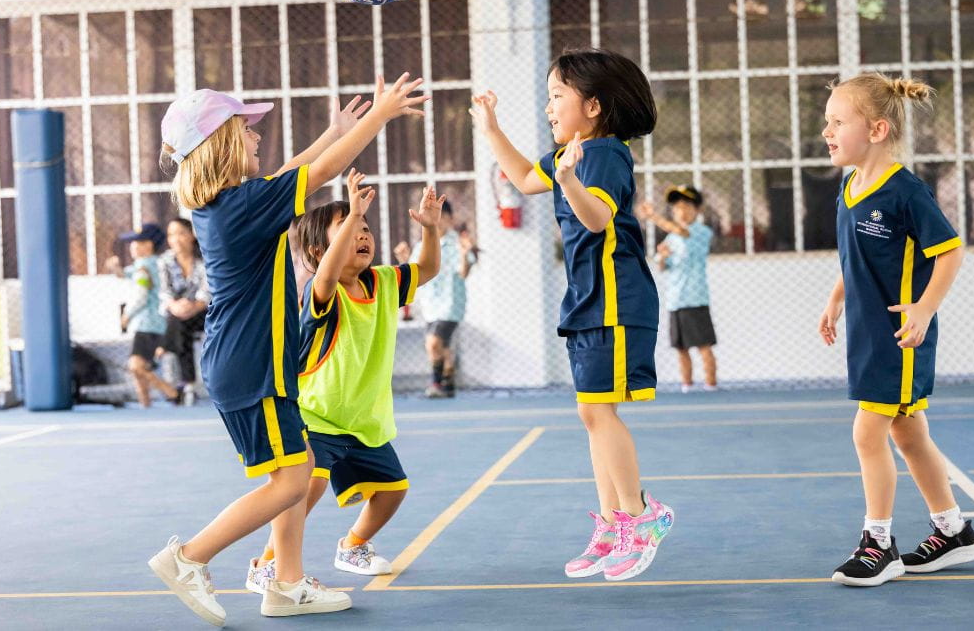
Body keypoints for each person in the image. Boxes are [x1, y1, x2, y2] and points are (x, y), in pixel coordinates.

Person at [146, 77, 426, 624]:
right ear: (221, 145)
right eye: (245, 130)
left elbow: (286, 176)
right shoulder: (242, 206)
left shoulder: (232, 203)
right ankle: (188, 559)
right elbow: (313, 175)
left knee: (294, 473)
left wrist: (332, 131)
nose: (255, 137)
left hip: (256, 364)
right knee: (292, 480)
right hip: (251, 366)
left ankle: (288, 583)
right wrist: (379, 117)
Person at [474, 48, 674, 581]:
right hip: (587, 300)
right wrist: (492, 129)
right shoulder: (574, 153)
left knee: (600, 412)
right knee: (592, 412)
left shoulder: (604, 154)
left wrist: (568, 180)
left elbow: (597, 220)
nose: (548, 107)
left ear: (593, 105)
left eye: (556, 96)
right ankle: (611, 523)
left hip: (616, 298)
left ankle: (640, 516)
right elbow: (520, 178)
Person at [817, 73, 974, 587]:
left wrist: (925, 308)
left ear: (876, 129)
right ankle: (953, 531)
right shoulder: (850, 187)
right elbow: (858, 259)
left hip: (900, 337)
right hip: (867, 334)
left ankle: (879, 543)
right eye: (826, 121)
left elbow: (950, 250)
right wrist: (836, 298)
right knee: (908, 434)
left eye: (837, 122)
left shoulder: (906, 191)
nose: (826, 131)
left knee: (868, 432)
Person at [246, 169, 442, 590]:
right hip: (316, 418)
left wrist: (430, 230)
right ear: (320, 251)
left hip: (365, 421)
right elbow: (328, 275)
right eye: (350, 229)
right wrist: (353, 212)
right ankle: (266, 563)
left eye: (366, 228)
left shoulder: (384, 281)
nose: (363, 235)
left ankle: (352, 545)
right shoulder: (323, 292)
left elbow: (426, 268)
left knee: (393, 491)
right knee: (301, 492)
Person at [637, 186, 718, 392]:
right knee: (680, 348)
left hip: (696, 299)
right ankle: (687, 386)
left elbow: (682, 231)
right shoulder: (671, 238)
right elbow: (663, 265)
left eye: (686, 207)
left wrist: (652, 217)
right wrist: (662, 256)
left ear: (697, 210)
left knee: (704, 346)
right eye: (677, 208)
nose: (681, 212)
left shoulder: (701, 232)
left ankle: (711, 386)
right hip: (676, 300)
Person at [105, 223, 180, 408]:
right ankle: (144, 402)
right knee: (140, 366)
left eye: (138, 242)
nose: (133, 246)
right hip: (157, 323)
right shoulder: (153, 264)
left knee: (136, 365)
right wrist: (116, 268)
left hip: (148, 324)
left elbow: (141, 295)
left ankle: (170, 391)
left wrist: (127, 315)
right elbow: (125, 275)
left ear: (149, 245)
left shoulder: (144, 268)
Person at [411, 200, 477, 398]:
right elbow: (413, 272)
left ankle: (436, 383)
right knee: (443, 346)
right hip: (430, 305)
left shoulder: (458, 243)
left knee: (432, 343)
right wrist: (404, 258)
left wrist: (465, 255)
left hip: (450, 305)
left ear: (450, 219)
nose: (437, 222)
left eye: (442, 218)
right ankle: (449, 383)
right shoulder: (422, 245)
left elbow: (464, 273)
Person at [158, 217, 209, 401]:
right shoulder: (164, 261)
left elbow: (208, 290)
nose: (176, 239)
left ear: (191, 236)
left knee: (179, 325)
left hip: (203, 310)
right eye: (171, 235)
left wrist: (195, 306)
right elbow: (164, 292)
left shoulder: (204, 258)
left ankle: (165, 346)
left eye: (181, 233)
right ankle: (188, 383)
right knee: (179, 324)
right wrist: (176, 306)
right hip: (176, 312)